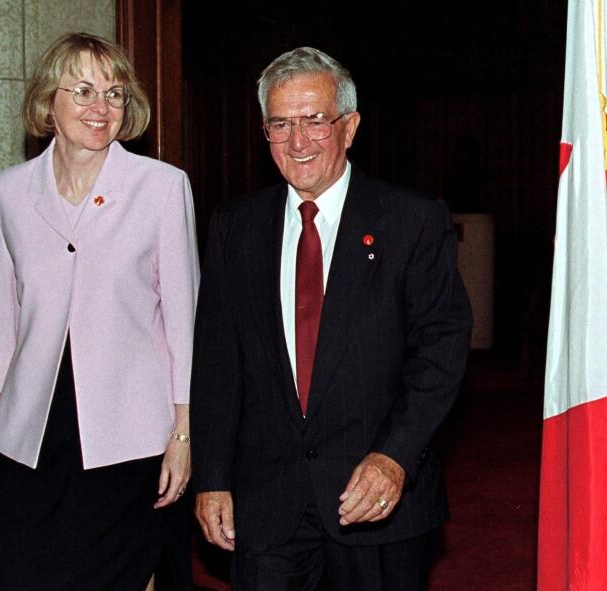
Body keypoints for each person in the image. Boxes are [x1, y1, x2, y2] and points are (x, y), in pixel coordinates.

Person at [191, 46, 472, 590]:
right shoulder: (235, 228)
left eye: (315, 121)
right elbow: (218, 364)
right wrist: (214, 477)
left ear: (350, 126)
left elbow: (441, 351)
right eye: (280, 124)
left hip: (374, 501)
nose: (298, 142)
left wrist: (393, 457)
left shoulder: (411, 220)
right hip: (266, 505)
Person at [0, 32, 199, 590]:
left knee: (122, 573)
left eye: (115, 94)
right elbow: (3, 317)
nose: (102, 108)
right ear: (50, 101)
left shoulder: (163, 188)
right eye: (84, 90)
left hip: (129, 431)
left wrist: (184, 434)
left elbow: (184, 320)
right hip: (32, 429)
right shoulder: (5, 193)